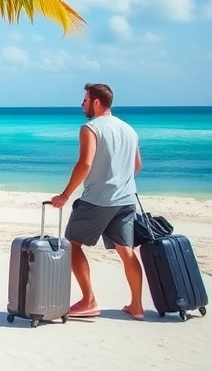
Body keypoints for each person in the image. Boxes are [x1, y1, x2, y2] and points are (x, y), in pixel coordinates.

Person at [50, 83, 145, 321]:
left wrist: (65, 195)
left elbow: (85, 164)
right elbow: (137, 166)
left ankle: (89, 300)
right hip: (126, 199)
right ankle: (137, 306)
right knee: (127, 251)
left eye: (85, 100)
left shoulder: (90, 128)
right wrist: (119, 180)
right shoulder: (129, 129)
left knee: (72, 244)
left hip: (98, 200)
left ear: (96, 102)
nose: (82, 104)